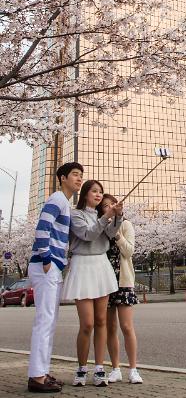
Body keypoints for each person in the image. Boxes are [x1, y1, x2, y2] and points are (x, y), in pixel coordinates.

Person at [27, 161, 84, 394]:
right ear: (62, 177)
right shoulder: (57, 199)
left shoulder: (65, 203)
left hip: (53, 266)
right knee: (45, 321)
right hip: (45, 266)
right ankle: (37, 377)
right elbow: (42, 229)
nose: (79, 179)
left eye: (81, 175)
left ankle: (41, 371)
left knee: (49, 321)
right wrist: (47, 258)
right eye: (74, 174)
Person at [62, 180, 123, 388]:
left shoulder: (101, 216)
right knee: (87, 324)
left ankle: (99, 368)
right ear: (85, 194)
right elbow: (88, 234)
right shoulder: (75, 214)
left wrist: (118, 216)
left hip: (101, 264)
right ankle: (81, 367)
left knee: (101, 321)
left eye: (101, 192)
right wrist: (107, 216)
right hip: (82, 265)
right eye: (94, 191)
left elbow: (112, 234)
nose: (99, 195)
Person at [98, 194, 143, 385]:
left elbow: (129, 251)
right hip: (106, 282)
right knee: (110, 328)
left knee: (126, 326)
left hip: (123, 281)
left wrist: (116, 233)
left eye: (111, 205)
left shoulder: (126, 225)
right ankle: (115, 368)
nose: (108, 208)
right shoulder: (100, 229)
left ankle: (133, 369)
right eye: (104, 207)